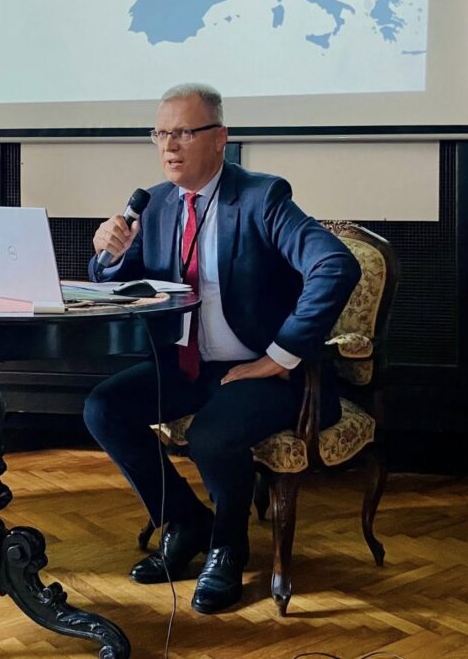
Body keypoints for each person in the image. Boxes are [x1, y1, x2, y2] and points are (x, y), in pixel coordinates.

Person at [83, 84, 360, 614]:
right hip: (189, 366)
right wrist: (109, 256)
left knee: (211, 435)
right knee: (104, 409)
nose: (170, 146)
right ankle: (186, 522)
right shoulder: (157, 204)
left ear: (220, 139)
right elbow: (116, 282)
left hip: (265, 373)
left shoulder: (262, 197)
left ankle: (228, 547)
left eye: (184, 133)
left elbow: (334, 264)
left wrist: (279, 355)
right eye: (161, 134)